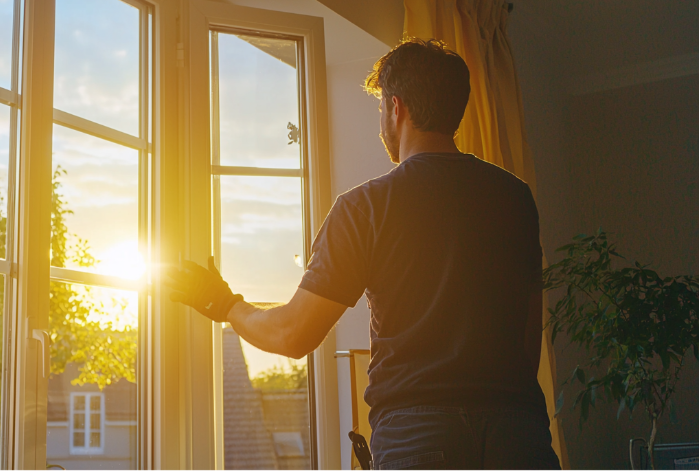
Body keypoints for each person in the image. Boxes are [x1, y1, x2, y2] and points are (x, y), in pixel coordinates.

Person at [166, 39, 561, 471]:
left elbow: (294, 335)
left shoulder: (366, 207)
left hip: (419, 434)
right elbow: (528, 332)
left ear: (397, 108)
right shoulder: (514, 198)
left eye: (380, 111)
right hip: (518, 431)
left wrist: (225, 305)